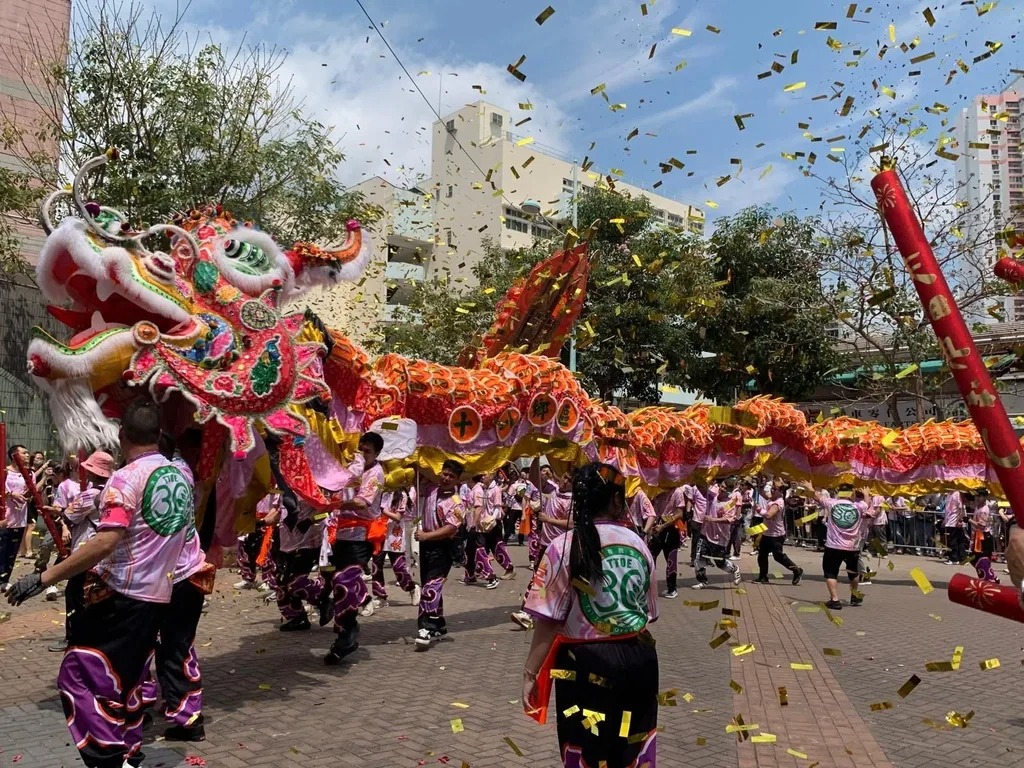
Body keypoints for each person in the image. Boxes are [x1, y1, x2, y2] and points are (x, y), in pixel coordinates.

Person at [7, 399, 196, 768]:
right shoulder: (180, 475)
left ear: (121, 435)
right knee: (128, 678)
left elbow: (105, 542)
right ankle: (129, 751)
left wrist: (42, 577)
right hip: (162, 593)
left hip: (125, 597)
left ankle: (107, 757)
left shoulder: (125, 480)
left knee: (80, 674)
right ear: (158, 435)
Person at [522, 462, 658, 768]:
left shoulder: (561, 547)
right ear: (615, 500)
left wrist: (530, 673)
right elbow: (650, 611)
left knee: (587, 747)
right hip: (640, 659)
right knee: (630, 744)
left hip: (584, 664)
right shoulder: (639, 544)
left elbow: (547, 622)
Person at [141, 435, 210, 742]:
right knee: (178, 646)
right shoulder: (184, 471)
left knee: (165, 647)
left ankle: (184, 717)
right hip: (189, 570)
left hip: (171, 576)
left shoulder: (151, 475)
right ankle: (182, 709)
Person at [322, 432, 386, 664]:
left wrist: (334, 503)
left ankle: (349, 631)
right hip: (340, 535)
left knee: (345, 582)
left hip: (361, 537)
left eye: (367, 450)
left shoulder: (376, 473)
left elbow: (362, 502)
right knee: (333, 579)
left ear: (377, 453)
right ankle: (343, 633)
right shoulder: (352, 469)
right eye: (360, 448)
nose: (362, 453)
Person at [510, 470, 573, 630]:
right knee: (539, 579)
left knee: (549, 581)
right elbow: (534, 482)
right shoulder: (553, 490)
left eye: (568, 480)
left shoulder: (573, 500)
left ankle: (538, 613)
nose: (564, 481)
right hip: (546, 544)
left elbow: (572, 524)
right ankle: (529, 613)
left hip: (560, 547)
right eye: (564, 477)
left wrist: (548, 520)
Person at [413, 460, 466, 650]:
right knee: (429, 583)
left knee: (431, 587)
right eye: (445, 474)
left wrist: (427, 535)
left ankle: (426, 627)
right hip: (426, 547)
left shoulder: (457, 503)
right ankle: (439, 624)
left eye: (451, 476)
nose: (446, 478)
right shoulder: (431, 490)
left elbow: (451, 528)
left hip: (443, 548)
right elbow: (417, 472)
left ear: (457, 480)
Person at [801, 482, 874, 610]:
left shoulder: (832, 503)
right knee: (853, 572)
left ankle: (835, 599)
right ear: (851, 494)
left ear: (839, 492)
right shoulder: (858, 506)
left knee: (830, 573)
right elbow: (866, 503)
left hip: (833, 546)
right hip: (852, 547)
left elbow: (817, 497)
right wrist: (866, 494)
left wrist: (810, 488)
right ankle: (854, 595)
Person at [371, 484, 421, 607]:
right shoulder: (380, 493)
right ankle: (380, 596)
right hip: (379, 534)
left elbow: (398, 517)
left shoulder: (402, 495)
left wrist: (384, 511)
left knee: (398, 567)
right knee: (376, 566)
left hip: (394, 536)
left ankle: (412, 588)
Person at [692, 482, 742, 590]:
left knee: (720, 563)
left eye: (725, 487)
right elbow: (703, 489)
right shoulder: (713, 494)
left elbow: (729, 520)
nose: (722, 489)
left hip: (720, 537)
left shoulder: (731, 502)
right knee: (698, 557)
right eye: (721, 486)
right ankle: (702, 581)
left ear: (729, 489)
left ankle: (734, 569)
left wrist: (712, 519)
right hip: (705, 532)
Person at [752, 482, 803, 585]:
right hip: (767, 533)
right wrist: (759, 482)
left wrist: (758, 509)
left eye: (774, 489)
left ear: (780, 492)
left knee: (778, 556)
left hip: (776, 535)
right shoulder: (773, 498)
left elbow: (769, 515)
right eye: (772, 489)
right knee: (762, 555)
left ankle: (796, 570)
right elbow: (763, 493)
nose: (771, 491)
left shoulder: (778, 502)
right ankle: (763, 577)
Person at [461, 473, 499, 589]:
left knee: (479, 552)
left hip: (476, 527)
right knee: (469, 551)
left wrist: (474, 524)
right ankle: (470, 575)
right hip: (470, 524)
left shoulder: (477, 490)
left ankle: (491, 577)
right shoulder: (473, 489)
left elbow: (478, 508)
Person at [1, 444, 31, 589]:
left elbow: (32, 491)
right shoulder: (4, 472)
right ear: (14, 455)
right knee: (2, 548)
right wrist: (11, 494)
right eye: (24, 453)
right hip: (5, 517)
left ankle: (5, 579)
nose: (27, 455)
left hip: (21, 516)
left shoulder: (28, 473)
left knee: (12, 551)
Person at [649, 484, 685, 598]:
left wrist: (663, 526)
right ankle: (649, 585)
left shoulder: (677, 491)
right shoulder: (657, 489)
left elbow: (679, 513)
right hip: (658, 527)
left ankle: (672, 588)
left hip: (671, 529)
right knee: (650, 556)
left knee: (670, 559)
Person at [480, 470, 516, 579]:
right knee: (483, 547)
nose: (482, 477)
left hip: (493, 523)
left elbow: (497, 506)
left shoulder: (495, 490)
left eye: (484, 475)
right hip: (485, 523)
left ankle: (509, 568)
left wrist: (492, 519)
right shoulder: (484, 488)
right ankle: (483, 570)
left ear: (491, 476)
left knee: (496, 547)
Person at [968, 490, 998, 583]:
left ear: (984, 497)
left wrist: (969, 520)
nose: (977, 498)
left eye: (980, 496)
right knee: (974, 558)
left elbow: (982, 525)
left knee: (981, 559)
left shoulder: (984, 510)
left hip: (984, 537)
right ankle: (990, 576)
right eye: (976, 496)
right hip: (978, 536)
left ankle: (989, 578)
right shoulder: (978, 507)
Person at [942, 490, 968, 565]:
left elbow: (960, 508)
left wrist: (959, 520)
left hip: (954, 521)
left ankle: (955, 558)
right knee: (958, 540)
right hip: (949, 520)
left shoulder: (956, 493)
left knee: (954, 541)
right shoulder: (948, 494)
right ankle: (961, 558)